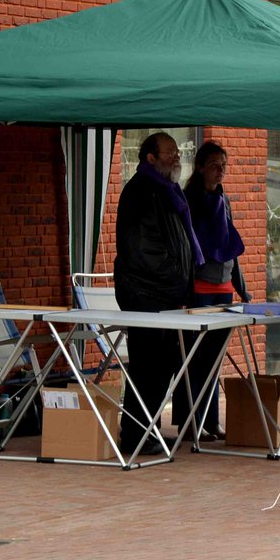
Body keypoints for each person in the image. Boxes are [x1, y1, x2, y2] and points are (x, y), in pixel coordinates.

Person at [114, 132, 202, 456]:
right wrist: (176, 276)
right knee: (147, 366)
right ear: (150, 157)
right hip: (146, 295)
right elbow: (143, 249)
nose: (176, 156)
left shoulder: (168, 190)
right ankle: (135, 434)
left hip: (163, 295)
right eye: (169, 152)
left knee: (161, 365)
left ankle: (146, 429)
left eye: (177, 151)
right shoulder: (141, 191)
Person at [172, 141, 251, 441]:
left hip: (223, 285)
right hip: (199, 285)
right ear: (201, 166)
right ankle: (189, 422)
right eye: (215, 165)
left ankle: (210, 419)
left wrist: (240, 286)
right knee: (194, 358)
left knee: (215, 358)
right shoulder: (189, 199)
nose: (221, 171)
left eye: (224, 166)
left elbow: (231, 243)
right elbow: (186, 246)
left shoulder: (223, 199)